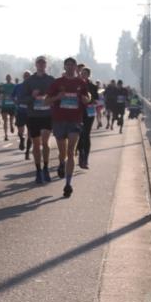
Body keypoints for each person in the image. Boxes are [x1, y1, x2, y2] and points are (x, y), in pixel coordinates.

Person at [43, 57, 91, 197]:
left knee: (71, 151)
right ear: (64, 67)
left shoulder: (81, 83)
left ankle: (68, 184)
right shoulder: (57, 83)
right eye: (67, 65)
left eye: (72, 65)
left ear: (76, 67)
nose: (70, 67)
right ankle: (61, 164)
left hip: (75, 121)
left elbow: (87, 98)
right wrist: (58, 97)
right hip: (59, 120)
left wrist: (86, 99)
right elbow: (46, 101)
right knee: (62, 152)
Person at [24, 57, 56, 184]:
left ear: (46, 65)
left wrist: (51, 100)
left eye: (43, 63)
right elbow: (22, 99)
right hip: (33, 116)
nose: (41, 65)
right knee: (36, 144)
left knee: (45, 142)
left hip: (47, 115)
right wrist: (32, 96)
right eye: (39, 63)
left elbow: (57, 97)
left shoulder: (51, 80)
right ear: (35, 65)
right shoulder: (29, 81)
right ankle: (38, 170)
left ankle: (46, 168)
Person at [78, 66, 98, 169]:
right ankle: (80, 154)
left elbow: (96, 100)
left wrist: (89, 100)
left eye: (85, 73)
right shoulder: (76, 84)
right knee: (79, 135)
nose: (83, 75)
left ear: (89, 75)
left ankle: (85, 159)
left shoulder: (93, 86)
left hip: (89, 113)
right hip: (78, 112)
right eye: (82, 73)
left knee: (86, 134)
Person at [14, 70, 31, 156]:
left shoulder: (33, 86)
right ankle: (22, 139)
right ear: (23, 77)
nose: (27, 77)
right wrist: (15, 102)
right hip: (20, 111)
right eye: (25, 76)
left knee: (31, 133)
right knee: (20, 131)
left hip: (31, 112)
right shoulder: (18, 86)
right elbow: (12, 96)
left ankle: (27, 151)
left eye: (28, 76)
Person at [0, 74, 17, 141]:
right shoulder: (3, 86)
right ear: (6, 78)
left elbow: (17, 94)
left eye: (9, 77)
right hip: (4, 105)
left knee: (11, 120)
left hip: (12, 105)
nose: (8, 78)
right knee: (5, 120)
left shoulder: (14, 86)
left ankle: (11, 125)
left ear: (11, 78)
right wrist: (0, 91)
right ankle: (6, 135)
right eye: (7, 77)